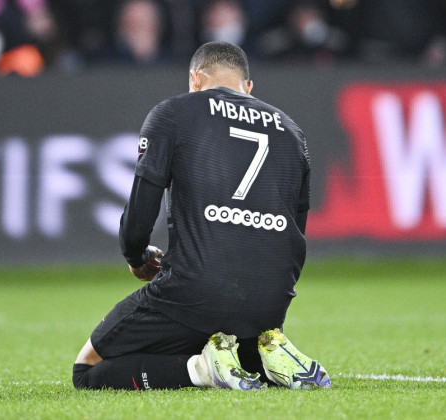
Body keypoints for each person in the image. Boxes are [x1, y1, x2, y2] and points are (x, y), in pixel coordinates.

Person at [72, 41, 331, 391]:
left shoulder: (174, 113)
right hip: (269, 305)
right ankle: (265, 353)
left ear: (195, 80)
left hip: (193, 293)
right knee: (233, 344)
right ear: (248, 87)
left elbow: (139, 218)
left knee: (87, 370)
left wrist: (137, 257)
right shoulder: (291, 131)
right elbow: (294, 233)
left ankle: (201, 371)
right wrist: (272, 299)